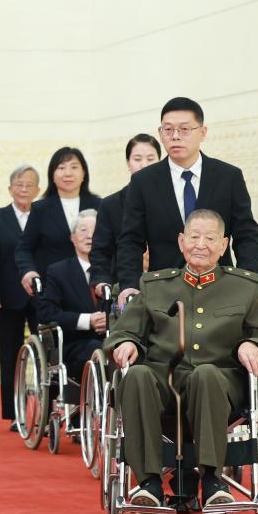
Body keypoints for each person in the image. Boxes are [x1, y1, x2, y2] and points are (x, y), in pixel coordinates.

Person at [106, 209, 258, 508]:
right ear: (181, 242)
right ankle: (149, 483)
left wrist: (253, 344)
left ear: (224, 245)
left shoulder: (245, 287)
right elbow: (122, 333)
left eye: (210, 238)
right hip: (164, 381)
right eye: (194, 237)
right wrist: (126, 343)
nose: (201, 244)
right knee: (136, 375)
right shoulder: (154, 285)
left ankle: (212, 481)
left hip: (221, 383)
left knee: (206, 374)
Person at [116, 97, 258, 305]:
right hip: (163, 292)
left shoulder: (228, 177)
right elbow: (130, 240)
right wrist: (129, 284)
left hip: (219, 288)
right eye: (168, 130)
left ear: (202, 133)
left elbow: (246, 235)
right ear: (160, 133)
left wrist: (247, 282)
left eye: (184, 130)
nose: (175, 137)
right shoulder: (143, 182)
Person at [0, 164, 41, 429]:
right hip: (8, 297)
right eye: (19, 184)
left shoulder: (45, 216)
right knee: (10, 356)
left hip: (42, 296)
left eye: (29, 185)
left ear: (38, 190)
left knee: (46, 356)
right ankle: (15, 413)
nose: (24, 189)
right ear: (10, 189)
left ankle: (48, 412)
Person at [15, 147, 101, 294]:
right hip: (53, 287)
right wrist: (28, 272)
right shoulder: (40, 209)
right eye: (61, 168)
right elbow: (24, 249)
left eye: (74, 167)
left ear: (84, 173)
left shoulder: (100, 205)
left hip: (93, 287)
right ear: (52, 176)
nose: (68, 173)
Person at [35, 209, 104, 387]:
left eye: (95, 231)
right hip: (73, 344)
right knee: (97, 349)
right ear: (72, 238)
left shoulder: (114, 271)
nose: (90, 236)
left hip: (110, 340)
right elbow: (46, 313)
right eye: (83, 230)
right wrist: (87, 320)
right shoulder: (58, 272)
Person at [89, 134, 161, 296]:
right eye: (137, 159)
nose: (144, 165)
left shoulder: (172, 198)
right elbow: (100, 251)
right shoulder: (110, 204)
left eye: (151, 158)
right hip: (122, 287)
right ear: (128, 163)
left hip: (166, 286)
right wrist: (101, 280)